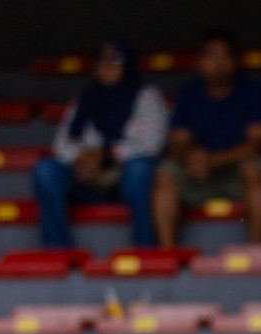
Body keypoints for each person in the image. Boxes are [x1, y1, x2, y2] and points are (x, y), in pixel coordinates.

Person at [31, 40, 166, 249]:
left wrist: (105, 155)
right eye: (101, 60)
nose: (105, 65)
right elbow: (61, 144)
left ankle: (146, 249)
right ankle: (58, 251)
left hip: (123, 179)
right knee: (45, 170)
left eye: (114, 60)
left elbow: (152, 144)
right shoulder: (86, 97)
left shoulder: (146, 95)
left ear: (127, 64)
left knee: (139, 170)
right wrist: (81, 159)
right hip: (87, 178)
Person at [152, 29, 261, 248]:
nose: (217, 63)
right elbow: (178, 142)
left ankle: (256, 253)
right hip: (199, 173)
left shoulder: (253, 92)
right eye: (210, 56)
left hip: (237, 173)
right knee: (165, 174)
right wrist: (193, 158)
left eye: (225, 56)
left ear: (236, 61)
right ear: (199, 61)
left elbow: (255, 144)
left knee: (253, 171)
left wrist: (214, 160)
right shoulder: (188, 94)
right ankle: (168, 253)